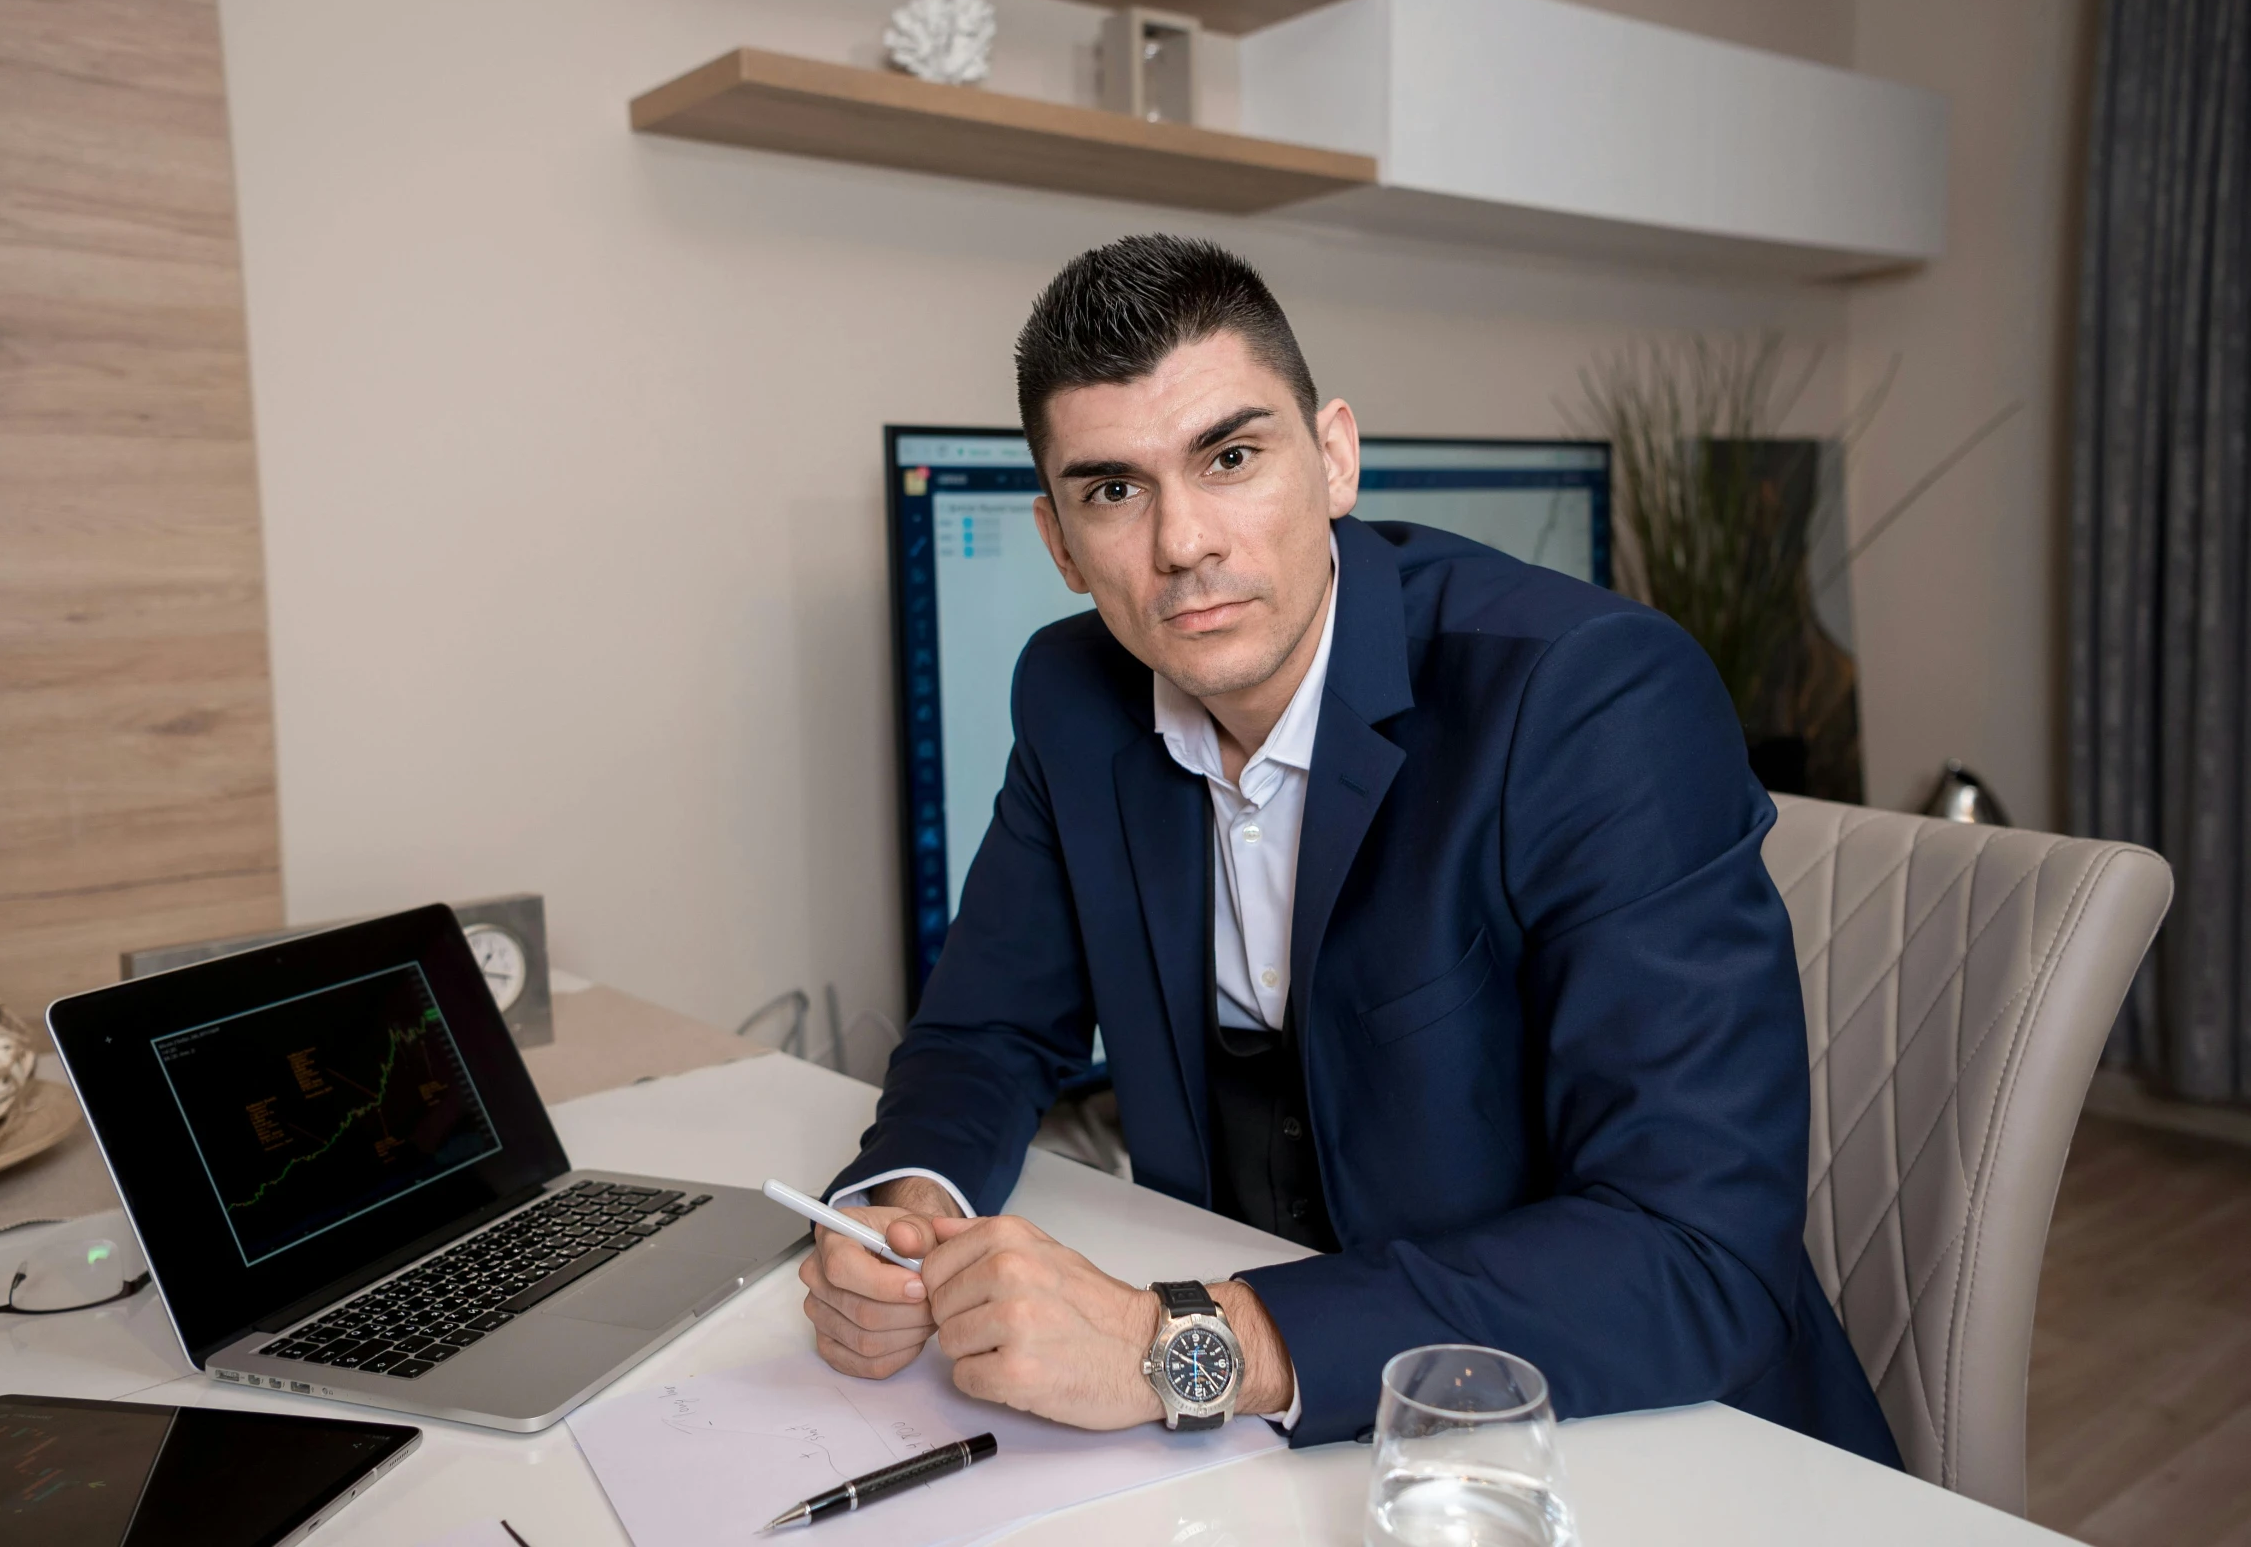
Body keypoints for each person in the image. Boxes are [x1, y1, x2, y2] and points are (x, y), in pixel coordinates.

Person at [799, 234, 1900, 1461]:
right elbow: (986, 1029)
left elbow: (1695, 1251)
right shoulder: (1073, 697)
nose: (1183, 544)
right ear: (1060, 543)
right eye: (1115, 489)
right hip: (1287, 1441)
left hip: (1634, 1431)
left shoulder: (1591, 699)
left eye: (1230, 457)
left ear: (1332, 457)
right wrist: (904, 1208)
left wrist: (1181, 1345)